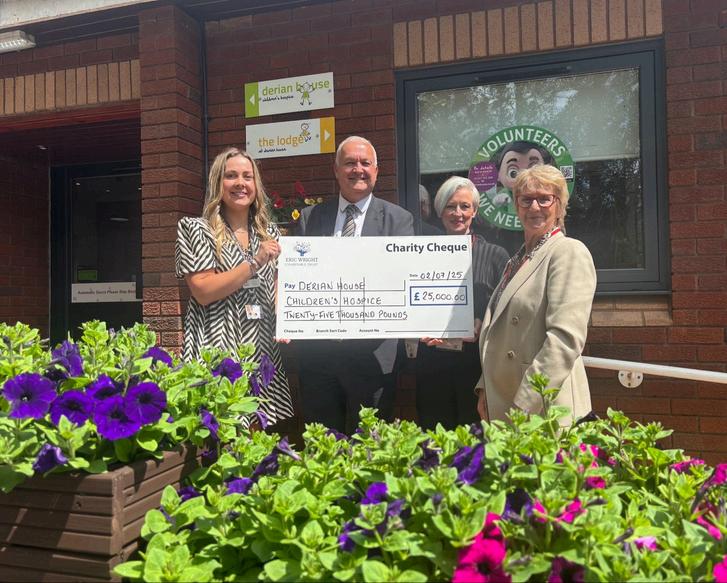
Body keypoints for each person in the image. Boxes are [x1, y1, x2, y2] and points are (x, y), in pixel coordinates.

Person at [296, 136, 414, 434]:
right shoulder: (311, 218)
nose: (357, 169)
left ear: (376, 170)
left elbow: (404, 279)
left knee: (370, 446)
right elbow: (297, 278)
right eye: (349, 163)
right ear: (336, 170)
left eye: (365, 163)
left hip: (372, 357)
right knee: (322, 446)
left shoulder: (399, 220)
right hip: (318, 357)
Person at [175, 147, 294, 427]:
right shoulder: (196, 229)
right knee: (218, 435)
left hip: (261, 349)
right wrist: (253, 263)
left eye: (247, 176)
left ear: (256, 185)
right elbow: (203, 291)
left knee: (258, 435)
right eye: (231, 176)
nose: (240, 183)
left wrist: (289, 319)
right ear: (218, 183)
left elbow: (279, 285)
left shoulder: (269, 233)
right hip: (216, 348)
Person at [476, 164, 596, 423]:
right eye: (526, 199)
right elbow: (499, 334)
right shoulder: (517, 260)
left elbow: (564, 340)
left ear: (560, 205)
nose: (534, 207)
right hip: (505, 398)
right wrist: (485, 388)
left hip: (542, 409)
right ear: (516, 205)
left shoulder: (568, 252)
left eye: (544, 199)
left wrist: (525, 404)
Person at [415, 176, 508, 429]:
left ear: (474, 211)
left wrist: (483, 323)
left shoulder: (495, 256)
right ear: (440, 211)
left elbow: (506, 309)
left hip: (474, 367)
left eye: (465, 206)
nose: (458, 213)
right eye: (450, 206)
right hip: (432, 364)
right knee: (434, 438)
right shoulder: (421, 255)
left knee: (473, 437)